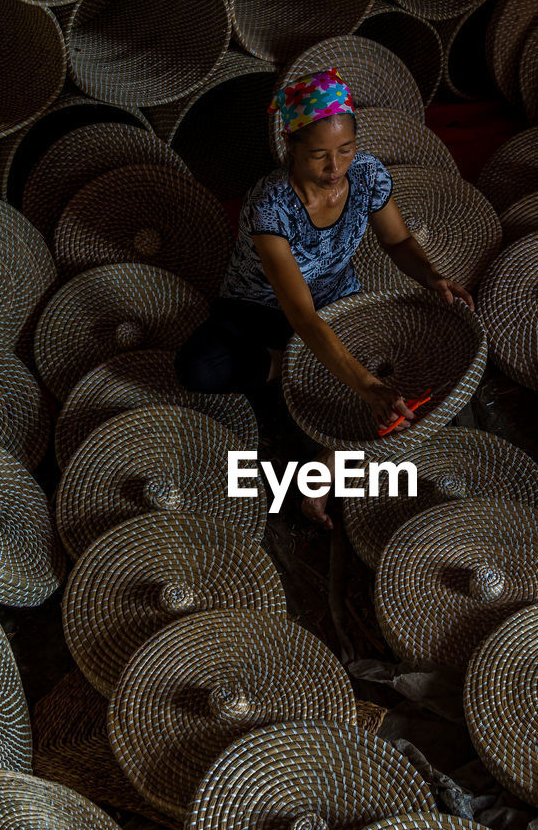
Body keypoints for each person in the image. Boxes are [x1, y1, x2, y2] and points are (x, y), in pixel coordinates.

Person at [174, 67, 473, 528]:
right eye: (318, 156)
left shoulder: (367, 175)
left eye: (345, 150)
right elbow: (301, 315)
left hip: (338, 303)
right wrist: (362, 383)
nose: (335, 168)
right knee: (195, 367)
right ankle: (287, 366)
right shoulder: (270, 205)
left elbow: (397, 242)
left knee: (387, 384)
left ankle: (325, 459)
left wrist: (432, 278)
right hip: (261, 309)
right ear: (290, 149)